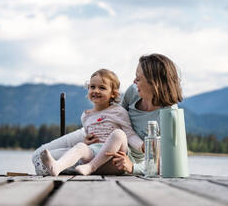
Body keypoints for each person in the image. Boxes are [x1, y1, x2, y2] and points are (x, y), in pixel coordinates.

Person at [32, 54, 183, 175]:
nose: (134, 81)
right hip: (99, 131)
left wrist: (133, 168)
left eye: (138, 78)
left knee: (44, 165)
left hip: (119, 147)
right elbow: (114, 112)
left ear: (154, 82)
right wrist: (88, 136)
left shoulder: (169, 114)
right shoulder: (134, 91)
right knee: (38, 157)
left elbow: (161, 162)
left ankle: (72, 166)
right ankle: (64, 164)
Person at [40, 69, 143, 176]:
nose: (96, 90)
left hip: (115, 160)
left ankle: (90, 167)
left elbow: (130, 135)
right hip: (95, 155)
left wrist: (142, 146)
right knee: (80, 146)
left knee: (119, 134)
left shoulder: (118, 111)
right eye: (92, 87)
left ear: (113, 94)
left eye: (102, 88)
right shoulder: (86, 116)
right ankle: (57, 166)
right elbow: (90, 139)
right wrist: (86, 142)